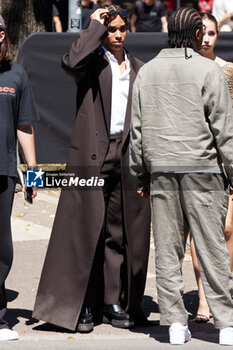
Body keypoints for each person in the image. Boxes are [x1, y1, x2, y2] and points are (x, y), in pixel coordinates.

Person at [33, 6, 150, 333]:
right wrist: (93, 26)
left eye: (121, 29)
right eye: (111, 29)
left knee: (118, 229)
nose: (116, 34)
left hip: (125, 155)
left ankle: (113, 300)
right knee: (86, 229)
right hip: (91, 153)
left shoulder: (138, 68)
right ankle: (81, 302)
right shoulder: (90, 63)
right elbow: (69, 61)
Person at [130, 7, 233, 345]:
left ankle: (175, 324)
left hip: (161, 170)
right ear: (193, 33)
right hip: (203, 171)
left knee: (168, 250)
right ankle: (227, 323)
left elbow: (137, 131)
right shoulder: (208, 70)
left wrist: (140, 175)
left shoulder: (147, 72)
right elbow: (224, 131)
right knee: (212, 247)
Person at [189, 11, 233, 324]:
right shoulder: (185, 70)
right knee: (197, 231)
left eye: (212, 33)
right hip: (193, 159)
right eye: (201, 32)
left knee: (228, 229)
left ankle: (224, 294)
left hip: (224, 158)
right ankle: (203, 297)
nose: (206, 38)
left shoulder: (228, 70)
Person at [0, 15, 39, 341]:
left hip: (3, 172)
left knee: (1, 247)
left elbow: (24, 126)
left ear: (1, 36)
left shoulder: (16, 74)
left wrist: (34, 174)